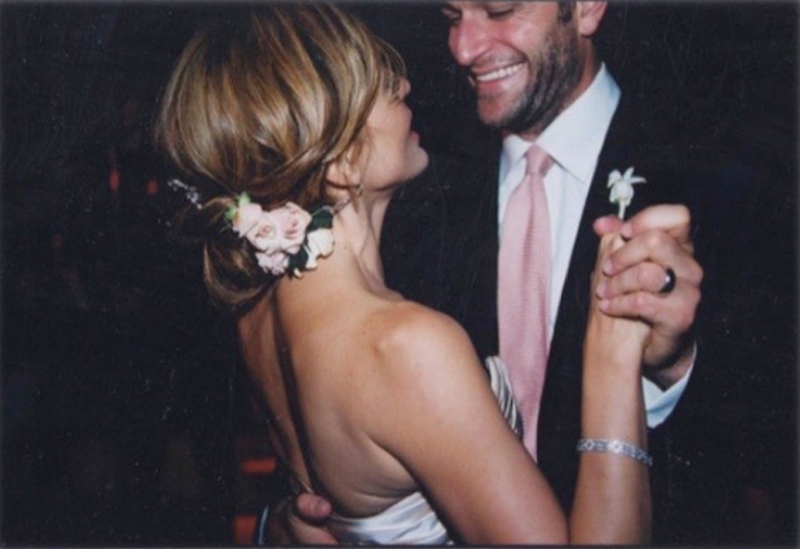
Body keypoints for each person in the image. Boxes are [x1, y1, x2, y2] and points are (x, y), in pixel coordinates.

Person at [286, 1, 795, 545]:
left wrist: (674, 368)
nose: (463, 48)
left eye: (499, 9)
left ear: (587, 8)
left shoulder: (722, 169)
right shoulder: (407, 188)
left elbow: (773, 436)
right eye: (453, 17)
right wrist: (289, 523)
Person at [156, 4, 664, 545]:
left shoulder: (255, 317)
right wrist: (614, 352)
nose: (403, 83)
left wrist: (275, 528)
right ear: (339, 163)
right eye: (377, 80)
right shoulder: (406, 346)